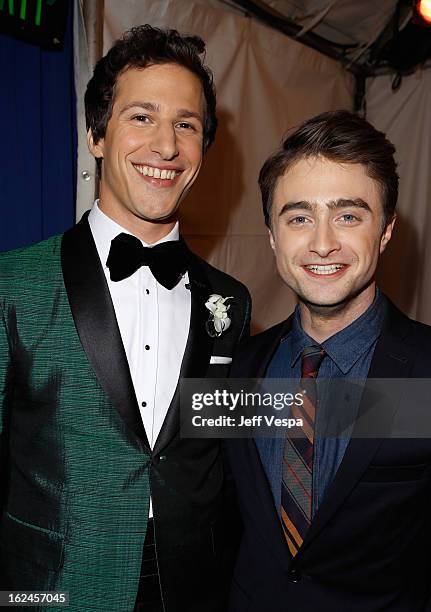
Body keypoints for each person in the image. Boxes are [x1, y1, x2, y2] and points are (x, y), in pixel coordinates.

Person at [0, 25, 250, 612]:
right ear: (96, 135)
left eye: (186, 125)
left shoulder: (230, 301)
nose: (166, 147)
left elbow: (223, 450)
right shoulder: (13, 283)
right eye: (142, 117)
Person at [226, 110, 431, 611]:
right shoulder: (238, 367)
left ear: (384, 231)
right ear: (273, 237)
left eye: (348, 215)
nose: (322, 242)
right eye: (298, 217)